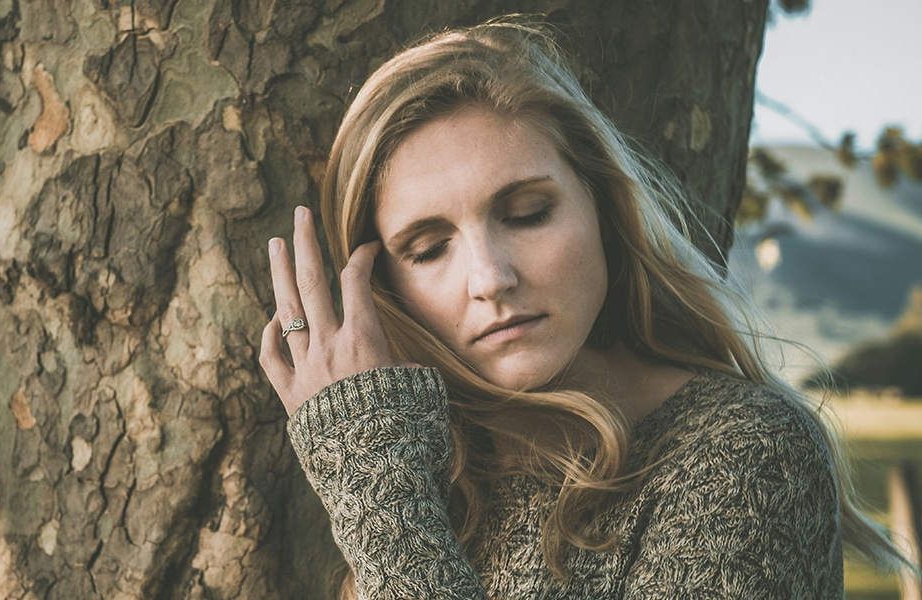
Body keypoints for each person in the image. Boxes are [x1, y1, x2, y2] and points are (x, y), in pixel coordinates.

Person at [257, 18, 907, 599]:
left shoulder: (744, 451)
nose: (490, 278)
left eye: (527, 214)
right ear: (385, 292)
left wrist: (375, 489)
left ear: (601, 204)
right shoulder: (426, 460)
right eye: (429, 249)